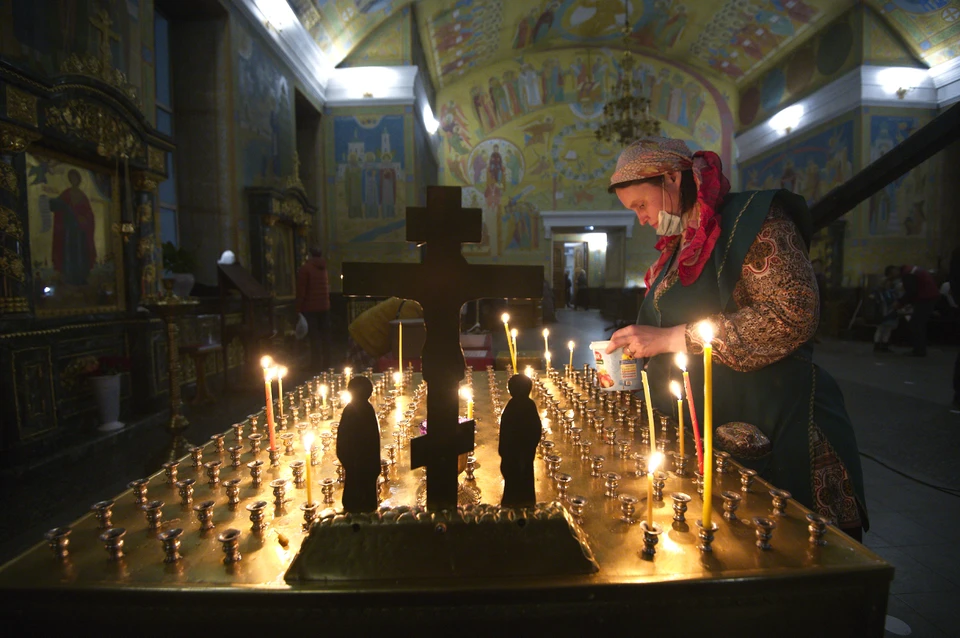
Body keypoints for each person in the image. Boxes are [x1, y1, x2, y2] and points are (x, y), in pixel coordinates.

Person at [603, 137, 867, 540]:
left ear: (672, 178)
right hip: (711, 423)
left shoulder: (754, 220)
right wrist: (632, 357)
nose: (641, 219)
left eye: (641, 205)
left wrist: (673, 338)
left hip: (778, 422)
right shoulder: (678, 245)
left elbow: (791, 313)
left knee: (794, 557)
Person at [336, 377, 382, 513]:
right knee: (360, 494)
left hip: (358, 464)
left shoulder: (357, 410)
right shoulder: (363, 410)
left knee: (359, 494)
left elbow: (372, 440)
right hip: (360, 464)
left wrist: (347, 459)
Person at [498, 374, 542, 509]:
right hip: (524, 453)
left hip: (513, 454)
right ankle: (525, 504)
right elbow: (536, 430)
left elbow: (505, 432)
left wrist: (504, 451)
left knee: (514, 482)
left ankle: (512, 506)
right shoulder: (529, 405)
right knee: (524, 480)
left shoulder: (511, 408)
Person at [347, 297, 423, 371]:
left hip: (366, 333)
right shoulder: (413, 306)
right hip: (365, 337)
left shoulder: (412, 302)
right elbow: (406, 337)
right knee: (366, 377)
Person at [888, 264, 939, 357]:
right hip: (929, 296)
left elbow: (911, 291)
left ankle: (919, 350)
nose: (894, 279)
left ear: (893, 271)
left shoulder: (908, 274)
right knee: (918, 323)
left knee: (916, 324)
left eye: (892, 277)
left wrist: (899, 303)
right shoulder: (911, 269)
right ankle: (919, 349)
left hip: (926, 298)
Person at [296, 247, 331, 372]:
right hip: (324, 306)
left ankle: (315, 365)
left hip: (310, 308)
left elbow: (301, 291)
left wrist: (298, 308)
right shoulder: (323, 268)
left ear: (309, 255)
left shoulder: (306, 269)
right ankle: (327, 363)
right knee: (325, 336)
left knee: (314, 337)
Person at [870, 275, 900, 353]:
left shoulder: (891, 292)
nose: (888, 284)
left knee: (887, 330)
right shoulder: (879, 292)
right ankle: (877, 344)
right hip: (883, 313)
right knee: (880, 329)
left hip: (890, 313)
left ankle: (884, 344)